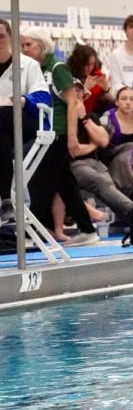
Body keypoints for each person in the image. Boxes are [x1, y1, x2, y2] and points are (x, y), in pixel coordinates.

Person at [20, 26, 98, 245]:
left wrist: (72, 136)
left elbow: (72, 102)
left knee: (40, 182)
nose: (25, 49)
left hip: (57, 134)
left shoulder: (57, 67)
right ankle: (87, 229)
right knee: (65, 183)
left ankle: (28, 235)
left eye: (29, 45)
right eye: (23, 45)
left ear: (42, 45)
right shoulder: (34, 69)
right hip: (44, 133)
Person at [0, 17, 51, 223]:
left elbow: (43, 97)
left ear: (10, 38)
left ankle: (4, 199)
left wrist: (19, 99)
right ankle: (5, 201)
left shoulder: (28, 65)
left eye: (1, 36)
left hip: (27, 121)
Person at [70, 83, 133, 227]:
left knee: (108, 182)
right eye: (73, 94)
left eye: (79, 93)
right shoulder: (64, 119)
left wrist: (84, 118)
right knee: (99, 180)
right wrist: (92, 145)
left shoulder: (90, 117)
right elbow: (74, 149)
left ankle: (128, 219)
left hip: (94, 162)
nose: (76, 97)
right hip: (73, 164)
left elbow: (104, 141)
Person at [100, 86, 133, 193]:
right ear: (116, 102)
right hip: (115, 163)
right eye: (124, 99)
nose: (128, 102)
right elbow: (102, 150)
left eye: (132, 99)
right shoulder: (105, 122)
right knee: (132, 160)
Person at [107, 14, 133, 95]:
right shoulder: (116, 54)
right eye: (130, 27)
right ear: (125, 31)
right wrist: (129, 94)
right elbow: (116, 83)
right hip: (123, 96)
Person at [67, 44, 113, 116]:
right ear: (78, 63)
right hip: (76, 115)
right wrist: (85, 88)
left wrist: (105, 89)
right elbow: (72, 104)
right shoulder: (69, 75)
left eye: (92, 64)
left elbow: (111, 103)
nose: (89, 68)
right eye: (86, 64)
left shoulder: (96, 74)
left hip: (94, 115)